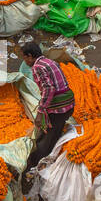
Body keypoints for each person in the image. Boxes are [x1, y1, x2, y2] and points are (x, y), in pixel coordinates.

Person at [15, 42, 75, 175]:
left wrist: (41, 112)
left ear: (30, 56)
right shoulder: (48, 61)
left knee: (46, 136)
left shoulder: (37, 67)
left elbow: (48, 89)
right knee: (55, 133)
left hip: (59, 108)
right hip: (69, 103)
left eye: (24, 58)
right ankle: (52, 156)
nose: (25, 62)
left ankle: (35, 164)